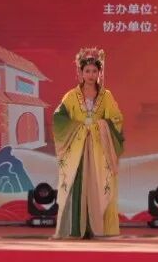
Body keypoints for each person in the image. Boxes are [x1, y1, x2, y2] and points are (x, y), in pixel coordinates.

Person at [53, 47, 124, 238]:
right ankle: (76, 227)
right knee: (77, 183)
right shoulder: (70, 96)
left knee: (99, 183)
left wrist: (100, 125)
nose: (91, 75)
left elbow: (116, 119)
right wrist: (79, 127)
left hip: (100, 148)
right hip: (78, 148)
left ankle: (98, 227)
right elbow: (59, 119)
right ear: (80, 72)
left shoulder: (106, 96)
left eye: (94, 71)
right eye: (87, 71)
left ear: (99, 73)